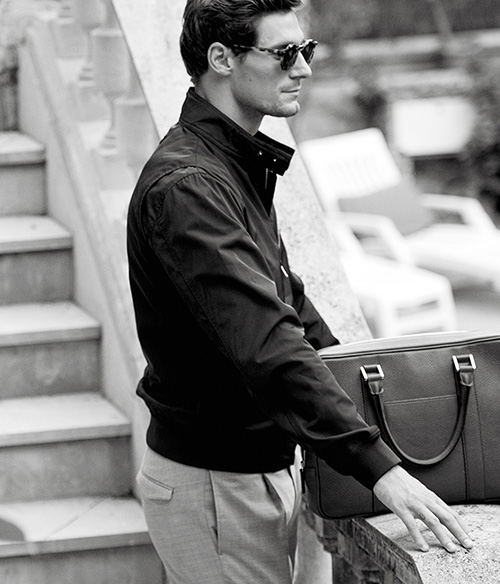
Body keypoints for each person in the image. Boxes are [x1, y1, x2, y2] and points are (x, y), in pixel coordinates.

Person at [126, 1, 473, 582]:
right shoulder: (189, 186)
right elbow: (268, 343)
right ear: (222, 59)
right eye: (285, 53)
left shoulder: (231, 162)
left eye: (305, 49)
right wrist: (379, 468)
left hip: (256, 472)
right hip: (217, 485)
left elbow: (293, 307)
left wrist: (376, 408)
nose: (304, 68)